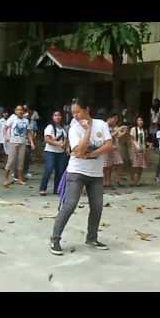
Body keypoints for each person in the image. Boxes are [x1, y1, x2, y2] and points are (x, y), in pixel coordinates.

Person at [50, 98, 112, 256]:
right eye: (73, 113)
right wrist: (88, 130)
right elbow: (78, 151)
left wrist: (93, 154)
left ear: (87, 109)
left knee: (97, 207)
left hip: (96, 174)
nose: (75, 115)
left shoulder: (102, 124)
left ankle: (92, 238)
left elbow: (108, 145)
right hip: (77, 172)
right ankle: (55, 239)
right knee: (70, 205)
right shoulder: (74, 128)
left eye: (78, 112)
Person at [3, 105, 35, 187]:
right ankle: (6, 179)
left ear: (24, 112)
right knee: (11, 160)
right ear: (15, 111)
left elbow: (28, 132)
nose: (20, 111)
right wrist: (6, 136)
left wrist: (31, 142)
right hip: (13, 142)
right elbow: (5, 127)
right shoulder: (12, 118)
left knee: (21, 161)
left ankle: (20, 179)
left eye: (21, 110)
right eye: (18, 110)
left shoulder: (26, 120)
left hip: (22, 142)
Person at [39, 110, 68, 196]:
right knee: (49, 169)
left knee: (60, 171)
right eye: (55, 115)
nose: (57, 117)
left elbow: (66, 139)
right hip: (50, 151)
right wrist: (57, 143)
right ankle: (43, 188)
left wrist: (66, 147)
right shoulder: (49, 127)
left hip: (61, 152)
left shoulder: (63, 128)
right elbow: (47, 139)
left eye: (59, 115)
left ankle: (57, 189)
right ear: (52, 117)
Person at [103, 113, 127, 188]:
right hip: (106, 148)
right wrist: (118, 130)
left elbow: (117, 135)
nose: (116, 121)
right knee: (106, 166)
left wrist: (124, 132)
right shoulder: (104, 126)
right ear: (110, 118)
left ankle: (117, 180)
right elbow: (109, 136)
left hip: (114, 148)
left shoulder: (114, 127)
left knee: (119, 163)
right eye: (115, 119)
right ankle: (106, 182)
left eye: (117, 119)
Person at [129, 116, 148, 187]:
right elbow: (132, 139)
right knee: (135, 166)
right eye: (139, 120)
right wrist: (135, 148)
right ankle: (132, 180)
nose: (140, 122)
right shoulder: (133, 129)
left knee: (141, 166)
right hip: (135, 150)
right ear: (136, 121)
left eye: (141, 120)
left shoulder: (144, 130)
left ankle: (137, 181)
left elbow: (145, 141)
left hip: (142, 149)